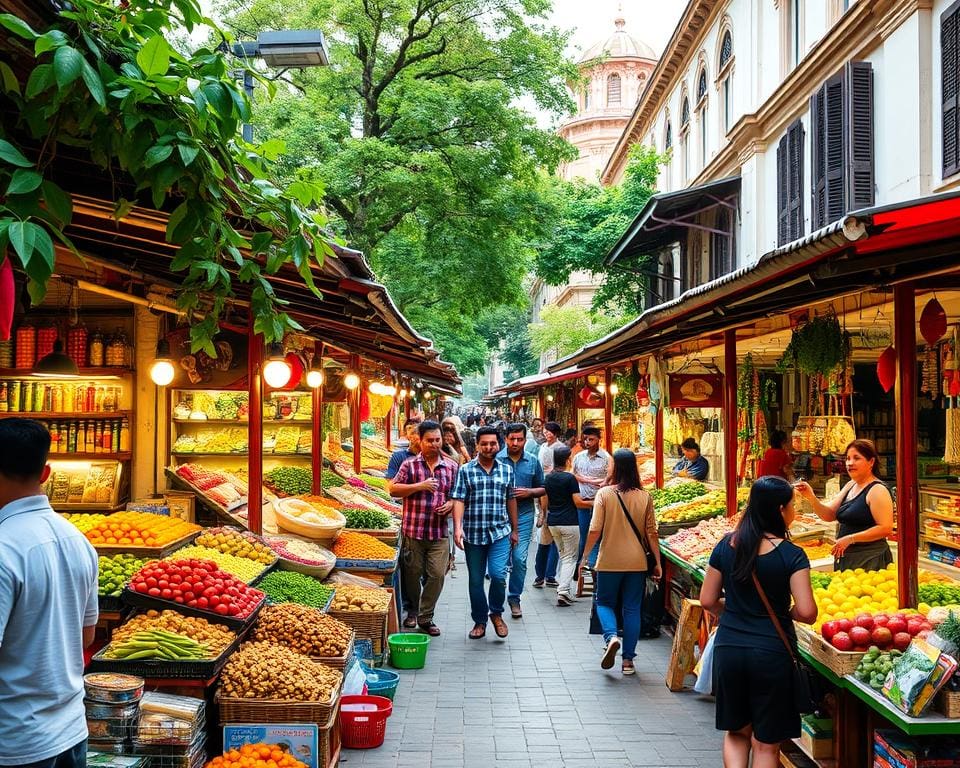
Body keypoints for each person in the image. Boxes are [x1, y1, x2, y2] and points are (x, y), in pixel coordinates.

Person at [0, 418, 99, 767]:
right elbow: (86, 636)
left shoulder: (4, 547)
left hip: (16, 741)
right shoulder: (79, 540)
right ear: (46, 473)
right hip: (71, 730)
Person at [699, 476, 818, 768]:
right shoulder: (792, 555)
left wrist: (738, 609)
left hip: (729, 650)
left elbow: (707, 600)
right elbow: (807, 611)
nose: (793, 511)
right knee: (766, 745)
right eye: (792, 506)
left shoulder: (727, 546)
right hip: (772, 654)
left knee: (737, 734)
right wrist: (781, 613)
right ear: (780, 510)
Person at [578, 449, 661, 675]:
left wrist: (584, 556)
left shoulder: (605, 494)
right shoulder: (645, 497)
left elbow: (595, 529)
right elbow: (651, 533)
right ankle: (628, 662)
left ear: (615, 468)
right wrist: (658, 562)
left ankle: (611, 636)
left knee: (604, 602)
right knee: (632, 608)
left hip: (609, 561)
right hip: (636, 563)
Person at [387, 421, 459, 636]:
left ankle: (426, 617)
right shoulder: (409, 465)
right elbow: (393, 489)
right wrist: (419, 486)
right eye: (430, 440)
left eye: (438, 440)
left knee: (437, 574)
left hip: (438, 533)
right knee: (412, 574)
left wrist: (451, 504)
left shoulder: (452, 467)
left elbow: (459, 496)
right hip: (413, 531)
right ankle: (413, 612)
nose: (434, 444)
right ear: (420, 440)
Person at [451, 426, 519, 640]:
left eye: (493, 444)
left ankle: (496, 613)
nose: (489, 447)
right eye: (484, 444)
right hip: (473, 534)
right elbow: (459, 499)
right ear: (477, 445)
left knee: (499, 576)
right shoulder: (466, 470)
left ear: (498, 445)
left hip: (500, 532)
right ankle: (479, 621)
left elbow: (511, 499)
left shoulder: (507, 470)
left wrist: (515, 529)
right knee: (475, 580)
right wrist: (458, 527)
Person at [794, 439, 894, 570]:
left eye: (856, 458)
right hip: (847, 557)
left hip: (870, 559)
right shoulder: (850, 485)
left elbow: (885, 528)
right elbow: (829, 515)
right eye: (848, 458)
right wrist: (811, 496)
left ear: (871, 462)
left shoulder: (877, 490)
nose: (850, 463)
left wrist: (850, 539)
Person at [497, 424, 546, 619]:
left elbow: (543, 487)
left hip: (524, 515)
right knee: (498, 564)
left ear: (526, 440)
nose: (516, 443)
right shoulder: (496, 460)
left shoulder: (533, 461)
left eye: (520, 439)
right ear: (506, 439)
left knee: (519, 559)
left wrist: (530, 492)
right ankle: (497, 601)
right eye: (512, 439)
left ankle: (514, 597)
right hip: (499, 516)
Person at [543, 445, 591, 605]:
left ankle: (564, 589)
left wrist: (543, 516)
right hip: (569, 522)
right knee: (570, 557)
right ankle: (563, 590)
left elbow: (545, 499)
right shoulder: (569, 478)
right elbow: (578, 502)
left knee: (564, 555)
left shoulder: (548, 477)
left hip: (553, 522)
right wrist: (595, 503)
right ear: (568, 460)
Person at [572, 426, 612, 566]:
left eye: (591, 439)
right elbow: (574, 475)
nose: (588, 442)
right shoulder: (578, 457)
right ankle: (581, 565)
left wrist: (597, 481)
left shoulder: (607, 458)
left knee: (597, 534)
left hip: (599, 502)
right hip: (582, 502)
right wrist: (586, 480)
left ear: (599, 440)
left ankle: (593, 564)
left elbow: (610, 478)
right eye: (586, 439)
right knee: (583, 535)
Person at [533, 421, 562, 589]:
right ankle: (542, 575)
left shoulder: (559, 448)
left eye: (550, 431)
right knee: (545, 538)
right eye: (546, 431)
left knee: (552, 539)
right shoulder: (543, 446)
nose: (547, 434)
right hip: (542, 488)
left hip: (552, 490)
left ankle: (549, 574)